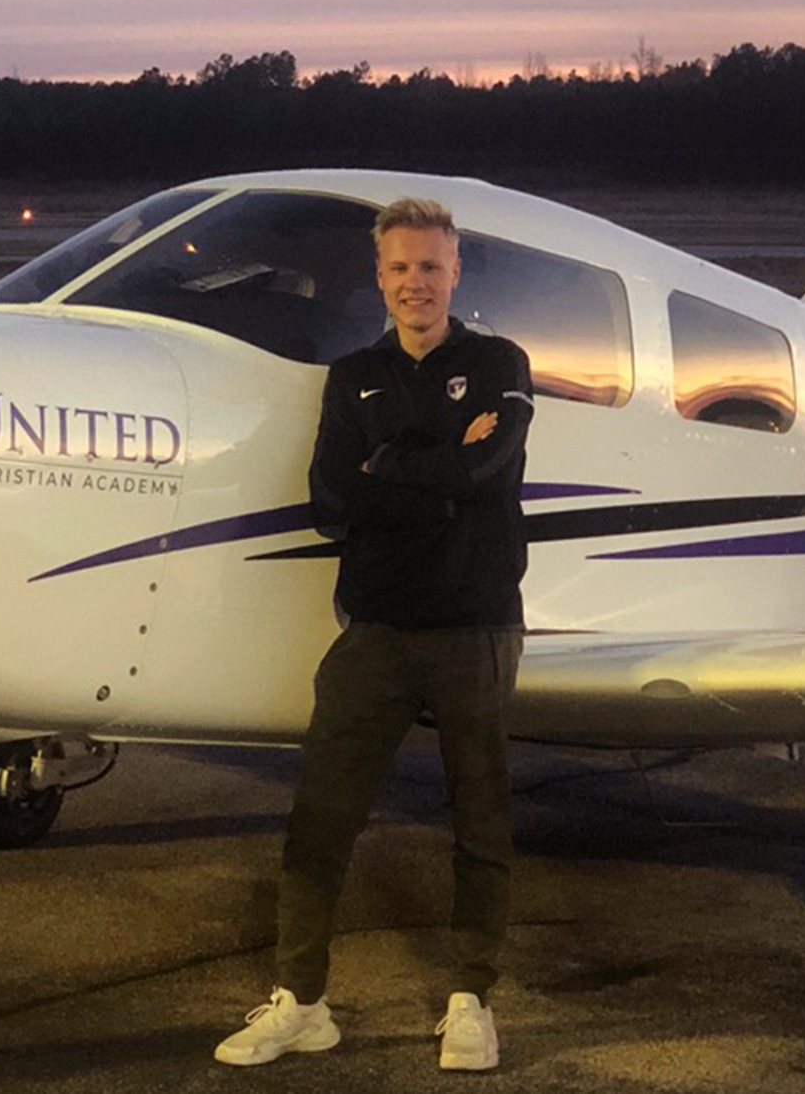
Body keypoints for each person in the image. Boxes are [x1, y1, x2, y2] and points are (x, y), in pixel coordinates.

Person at [215, 197, 533, 1072]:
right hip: (376, 631)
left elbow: (484, 467)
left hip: (475, 629)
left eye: (430, 266)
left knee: (480, 819)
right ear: (379, 276)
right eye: (398, 268)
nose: (414, 283)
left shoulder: (500, 362)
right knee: (320, 817)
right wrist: (430, 478)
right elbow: (330, 504)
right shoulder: (350, 374)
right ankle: (302, 1003)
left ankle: (472, 999)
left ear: (456, 270)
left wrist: (385, 465)